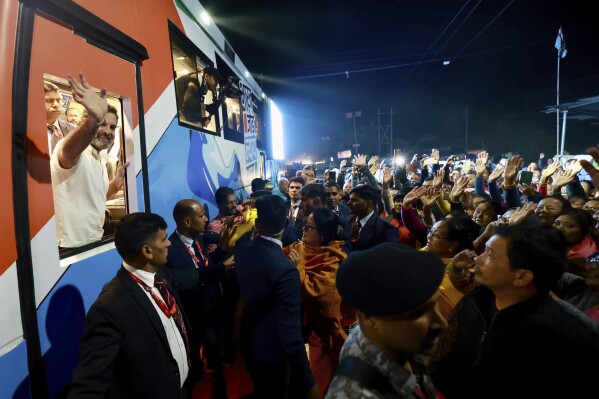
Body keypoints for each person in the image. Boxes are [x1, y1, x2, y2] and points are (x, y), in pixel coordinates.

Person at [429, 226, 599, 399]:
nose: (478, 259)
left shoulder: (553, 336)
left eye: (490, 255)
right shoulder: (481, 296)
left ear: (522, 277)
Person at [69, 212, 207, 398]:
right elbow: (89, 384)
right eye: (164, 239)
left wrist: (221, 268)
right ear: (147, 251)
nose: (169, 243)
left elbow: (188, 277)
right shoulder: (110, 307)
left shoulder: (160, 277)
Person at [326, 243, 447, 398]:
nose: (442, 323)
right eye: (420, 313)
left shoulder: (395, 343)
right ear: (370, 318)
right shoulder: (356, 394)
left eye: (435, 305)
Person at [235, 195, 320, 399]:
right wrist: (309, 384)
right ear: (286, 222)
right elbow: (291, 336)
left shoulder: (242, 250)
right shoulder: (286, 271)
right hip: (273, 357)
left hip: (250, 345)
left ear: (256, 223)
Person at [165, 200, 235, 398]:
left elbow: (206, 265)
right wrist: (220, 268)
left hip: (211, 312)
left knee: (215, 363)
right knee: (192, 369)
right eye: (202, 215)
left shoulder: (199, 239)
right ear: (187, 221)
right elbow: (188, 279)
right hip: (192, 318)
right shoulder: (172, 251)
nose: (206, 219)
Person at [51, 73, 129, 248]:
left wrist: (116, 181)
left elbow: (99, 197)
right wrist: (94, 121)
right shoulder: (72, 149)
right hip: (70, 247)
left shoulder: (99, 156)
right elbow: (67, 153)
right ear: (85, 122)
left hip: (94, 240)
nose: (108, 131)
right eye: (102, 123)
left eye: (112, 127)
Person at [286, 207, 351, 396]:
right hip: (297, 331)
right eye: (304, 225)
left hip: (322, 335)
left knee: (319, 382)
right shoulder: (299, 248)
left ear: (322, 235)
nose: (303, 230)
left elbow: (322, 301)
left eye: (308, 227)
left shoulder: (334, 260)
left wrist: (298, 270)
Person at [345, 184, 399, 251]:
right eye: (349, 199)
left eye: (354, 200)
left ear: (369, 203)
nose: (348, 203)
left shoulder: (386, 231)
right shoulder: (347, 220)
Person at [45, 81, 76, 154]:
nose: (56, 104)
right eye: (49, 101)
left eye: (59, 100)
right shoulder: (28, 128)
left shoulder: (74, 130)